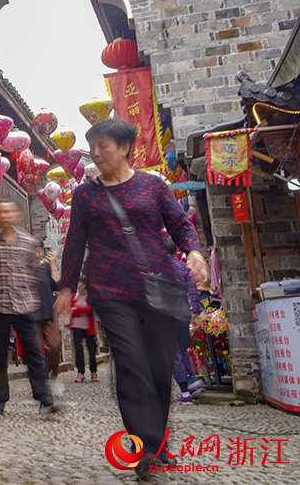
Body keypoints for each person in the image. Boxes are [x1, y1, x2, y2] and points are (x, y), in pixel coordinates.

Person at [54, 119, 208, 483]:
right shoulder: (85, 194)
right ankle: (147, 450)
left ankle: (158, 441)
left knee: (157, 367)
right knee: (132, 364)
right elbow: (75, 240)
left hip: (156, 289)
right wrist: (66, 287)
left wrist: (195, 253)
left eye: (102, 145)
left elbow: (179, 224)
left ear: (125, 148)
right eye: (91, 147)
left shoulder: (153, 185)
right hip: (110, 291)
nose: (95, 153)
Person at [0, 201, 58, 417]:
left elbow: (36, 271)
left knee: (35, 353)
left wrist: (25, 287)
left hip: (24, 305)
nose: (4, 215)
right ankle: (0, 400)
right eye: (0, 211)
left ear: (16, 215)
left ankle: (43, 397)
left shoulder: (29, 242)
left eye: (9, 211)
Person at [170, 255, 204, 403]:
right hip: (183, 313)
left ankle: (185, 393)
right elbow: (193, 292)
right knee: (183, 350)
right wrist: (195, 313)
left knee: (174, 353)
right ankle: (191, 383)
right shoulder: (184, 268)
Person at [34, 248, 63, 395]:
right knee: (35, 351)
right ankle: (41, 385)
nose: (36, 253)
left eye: (39, 250)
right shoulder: (24, 270)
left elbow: (57, 284)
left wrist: (53, 264)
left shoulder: (46, 267)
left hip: (48, 313)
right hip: (31, 314)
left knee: (53, 346)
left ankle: (55, 374)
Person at [69, 278, 98, 382]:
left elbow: (90, 309)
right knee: (78, 349)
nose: (78, 286)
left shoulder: (90, 296)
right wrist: (81, 311)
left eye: (79, 283)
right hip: (77, 326)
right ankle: (80, 372)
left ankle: (93, 372)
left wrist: (77, 310)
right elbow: (70, 310)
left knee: (91, 350)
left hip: (88, 327)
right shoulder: (74, 297)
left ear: (84, 285)